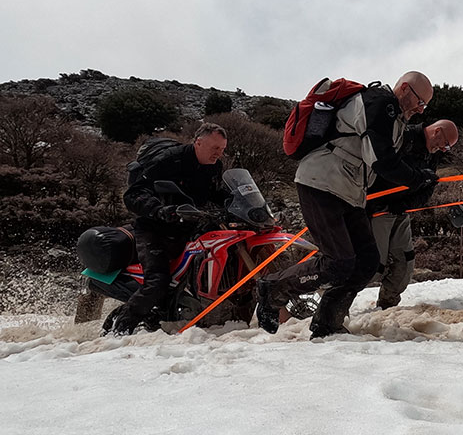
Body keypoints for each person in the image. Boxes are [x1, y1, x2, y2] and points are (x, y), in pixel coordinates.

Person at [256, 71, 437, 337]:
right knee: (338, 262)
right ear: (405, 89)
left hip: (349, 192)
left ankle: (327, 324)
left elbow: (380, 168)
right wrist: (417, 178)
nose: (421, 110)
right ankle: (273, 289)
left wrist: (419, 183)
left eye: (425, 106)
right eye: (420, 102)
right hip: (321, 183)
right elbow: (381, 160)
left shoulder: (394, 119)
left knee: (366, 261)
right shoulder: (380, 103)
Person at [109, 123, 230, 336]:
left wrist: (238, 203)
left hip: (189, 229)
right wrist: (160, 210)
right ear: (198, 142)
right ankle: (119, 330)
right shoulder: (169, 161)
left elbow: (217, 194)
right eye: (215, 149)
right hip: (154, 229)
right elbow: (134, 194)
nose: (218, 154)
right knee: (158, 282)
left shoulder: (214, 167)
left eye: (222, 149)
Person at [367, 119, 459, 309]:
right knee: (372, 267)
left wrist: (405, 204)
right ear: (437, 132)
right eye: (446, 144)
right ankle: (333, 300)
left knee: (405, 264)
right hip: (376, 210)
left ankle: (386, 307)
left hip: (400, 211)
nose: (444, 150)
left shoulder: (433, 154)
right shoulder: (403, 137)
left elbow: (429, 187)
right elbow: (380, 167)